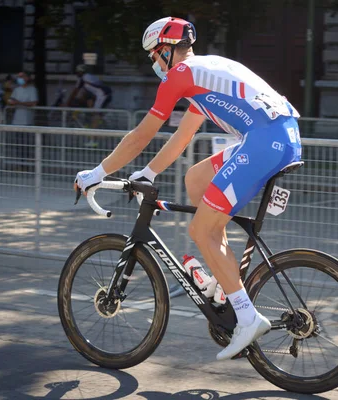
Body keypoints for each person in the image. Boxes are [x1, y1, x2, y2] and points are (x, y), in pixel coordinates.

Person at [74, 16, 301, 361]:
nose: (153, 63)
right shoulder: (204, 72)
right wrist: (148, 173)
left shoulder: (181, 74)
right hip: (277, 137)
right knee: (195, 179)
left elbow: (142, 135)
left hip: (264, 141)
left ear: (165, 51)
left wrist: (97, 172)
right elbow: (182, 136)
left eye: (153, 55)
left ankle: (248, 317)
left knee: (199, 229)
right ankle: (224, 286)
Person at [66, 64, 113, 145]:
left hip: (102, 95)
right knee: (93, 112)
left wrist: (68, 103)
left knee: (96, 116)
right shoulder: (90, 77)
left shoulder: (83, 78)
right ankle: (97, 122)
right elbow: (88, 93)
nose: (77, 74)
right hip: (104, 94)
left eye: (77, 72)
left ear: (80, 72)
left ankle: (93, 141)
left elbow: (75, 91)